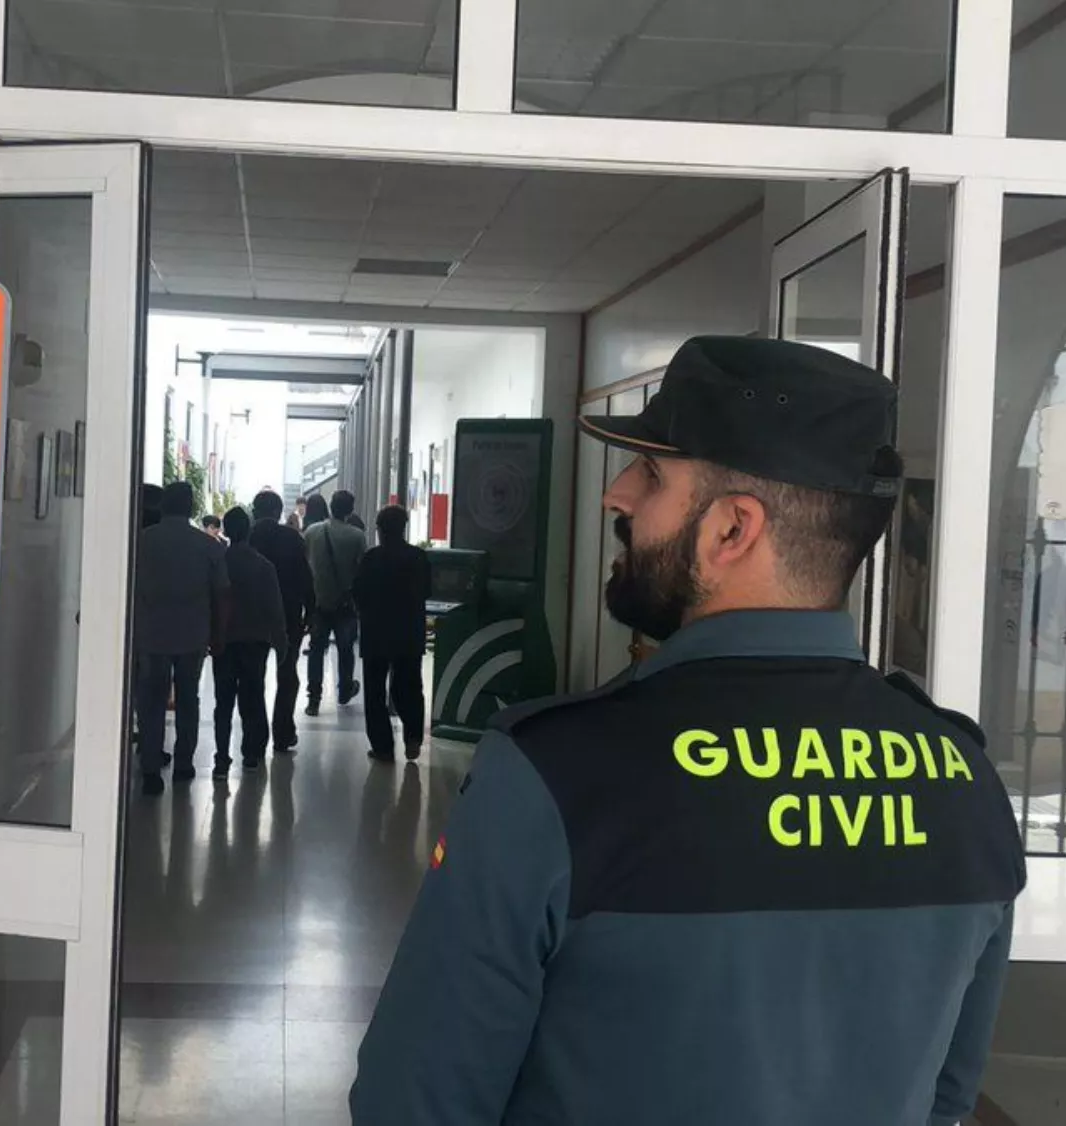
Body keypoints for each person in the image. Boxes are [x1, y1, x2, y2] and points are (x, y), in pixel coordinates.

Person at [350, 336, 1027, 1125]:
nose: (618, 497)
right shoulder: (963, 781)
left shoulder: (557, 777)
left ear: (733, 530)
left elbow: (416, 1102)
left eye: (655, 475)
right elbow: (944, 1101)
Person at [131, 481, 229, 796]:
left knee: (151, 700)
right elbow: (221, 594)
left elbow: (129, 587)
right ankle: (184, 763)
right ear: (189, 508)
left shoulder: (142, 541)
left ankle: (149, 768)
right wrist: (218, 634)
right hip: (192, 634)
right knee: (188, 698)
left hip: (151, 633)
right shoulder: (208, 546)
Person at [352, 504, 432, 763]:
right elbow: (427, 591)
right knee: (409, 685)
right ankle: (413, 738)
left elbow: (359, 593)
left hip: (376, 633)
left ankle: (383, 746)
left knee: (375, 691)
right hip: (409, 631)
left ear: (380, 530)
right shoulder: (418, 557)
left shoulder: (371, 558)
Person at [212, 507, 286, 777]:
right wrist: (281, 642)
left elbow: (212, 600)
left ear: (227, 530)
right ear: (249, 529)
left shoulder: (219, 561)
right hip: (256, 641)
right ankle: (251, 751)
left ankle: (221, 757)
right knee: (252, 696)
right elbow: (274, 608)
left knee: (223, 701)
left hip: (225, 640)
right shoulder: (263, 565)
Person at [248, 489, 314, 752]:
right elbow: (305, 576)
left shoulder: (248, 537)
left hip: (254, 616)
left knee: (254, 676)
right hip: (288, 614)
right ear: (277, 513)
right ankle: (283, 732)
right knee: (287, 674)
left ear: (255, 511)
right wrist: (311, 609)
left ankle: (256, 736)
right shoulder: (292, 538)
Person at [303, 490, 366, 715]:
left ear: (331, 506)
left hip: (319, 603)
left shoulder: (311, 532)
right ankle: (344, 690)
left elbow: (305, 567)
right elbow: (361, 572)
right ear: (350, 510)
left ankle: (314, 698)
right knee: (346, 649)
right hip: (345, 604)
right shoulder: (357, 536)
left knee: (316, 650)